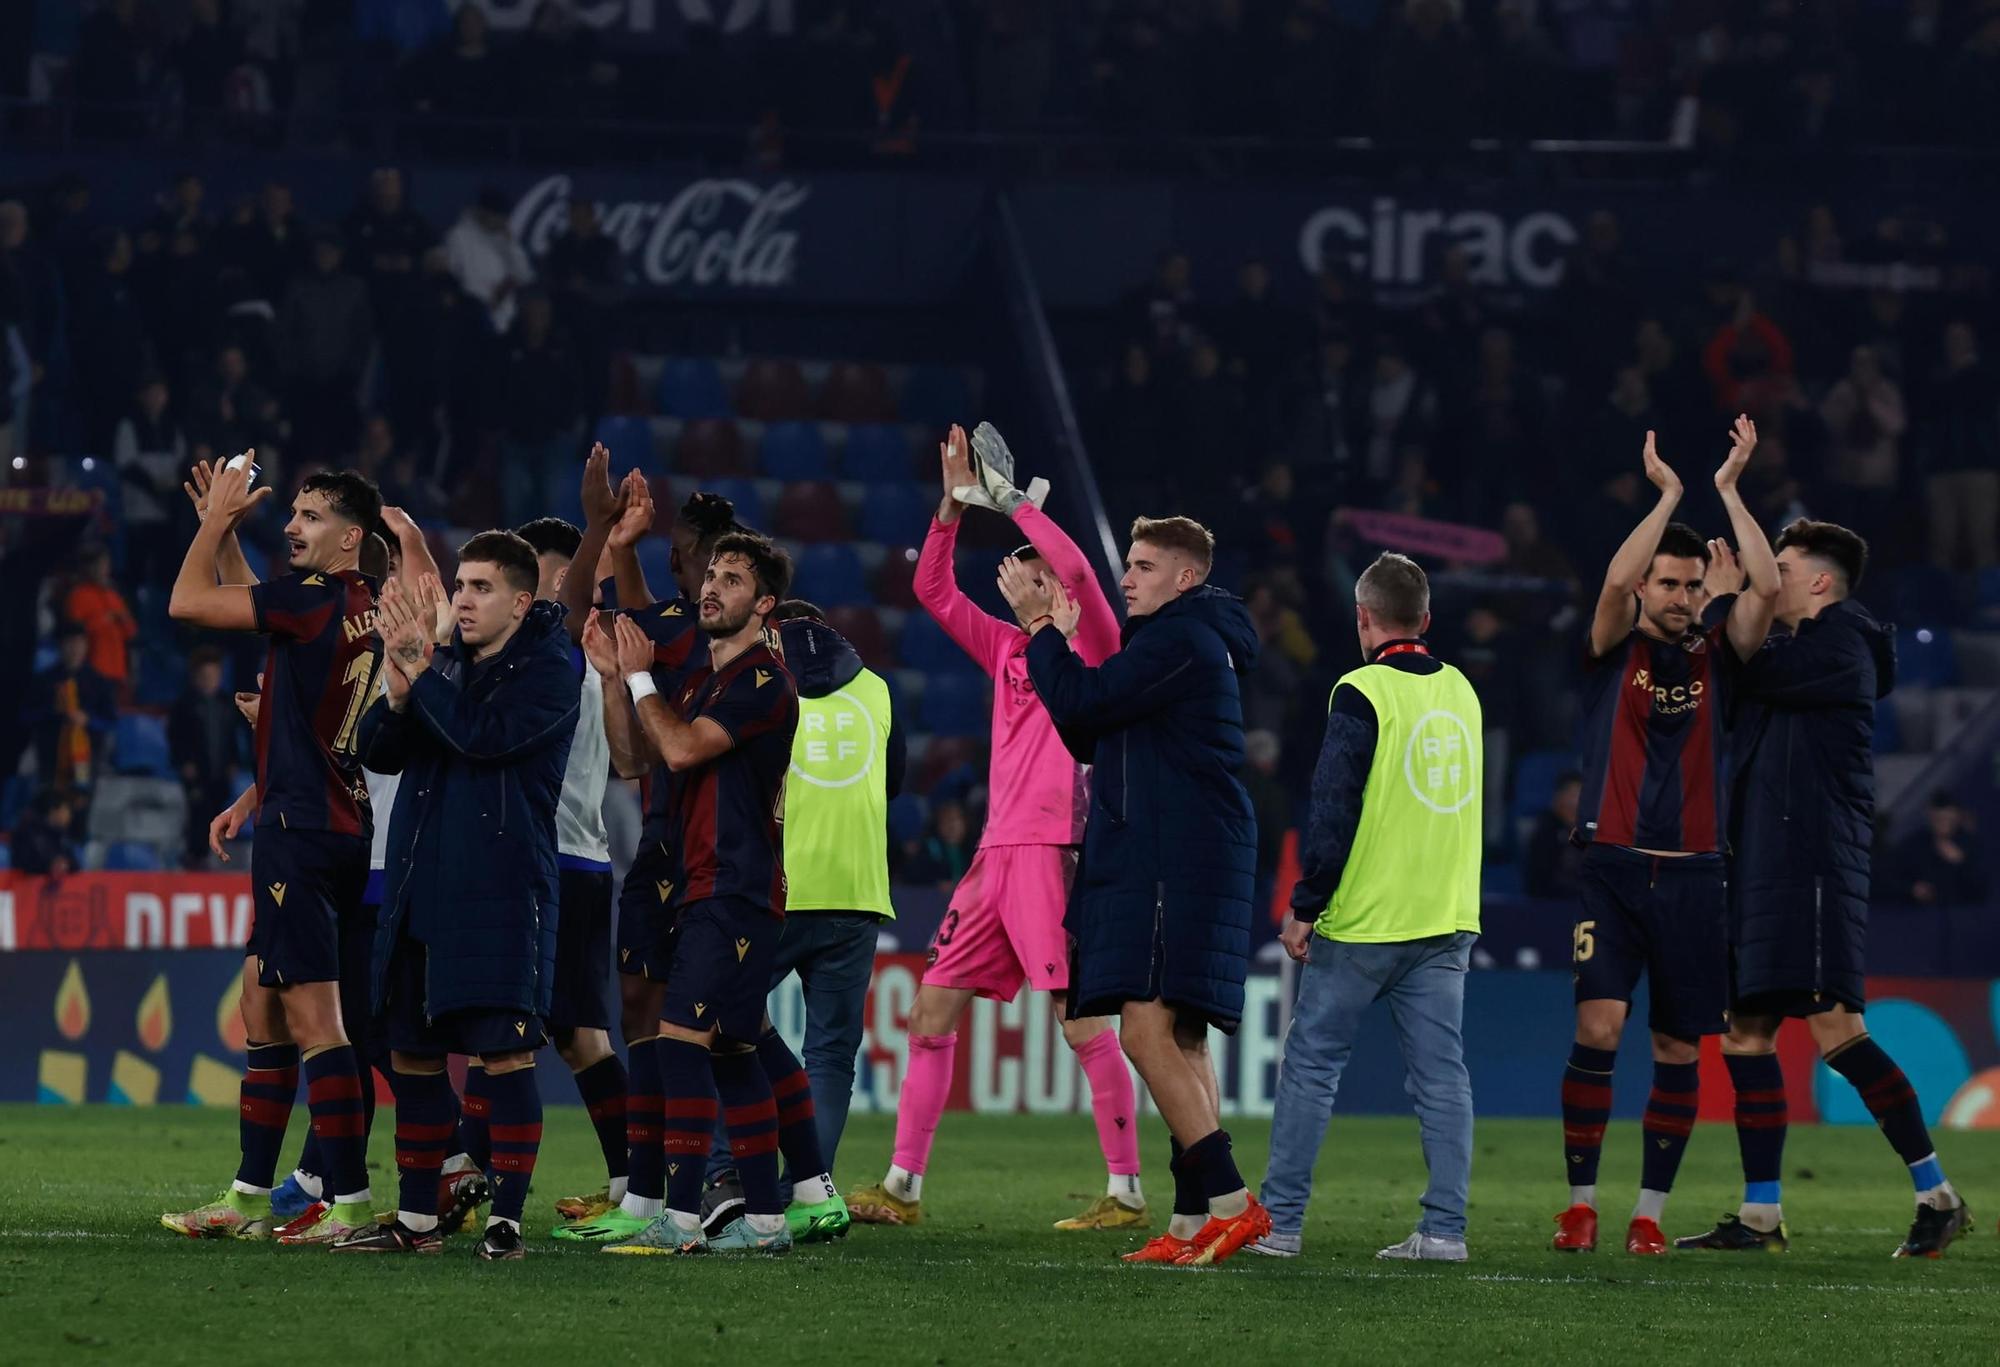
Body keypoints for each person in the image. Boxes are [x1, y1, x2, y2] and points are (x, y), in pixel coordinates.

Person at [848, 422, 1146, 1233]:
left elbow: (1080, 565)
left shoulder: (1094, 644)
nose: (1025, 577)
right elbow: (934, 594)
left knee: (1080, 1021)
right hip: (993, 856)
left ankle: (1126, 1189)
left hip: (1053, 851)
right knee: (929, 1012)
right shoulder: (1013, 648)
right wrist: (950, 508)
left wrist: (1012, 504)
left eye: (1038, 572)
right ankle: (903, 1185)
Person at [1679, 521, 1975, 1259]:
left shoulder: (1844, 644)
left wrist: (1721, 606)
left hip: (1810, 869)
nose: (1763, 576)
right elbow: (1732, 677)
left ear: (1817, 581)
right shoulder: (1793, 648)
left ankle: (1938, 1194)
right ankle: (1759, 1214)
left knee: (1836, 1030)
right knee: (1746, 1034)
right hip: (1760, 867)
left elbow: (1749, 673)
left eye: (1777, 566)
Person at [998, 514, 1267, 1268]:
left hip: (1171, 853)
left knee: (1146, 1032)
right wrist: (1067, 643)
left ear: (1186, 577)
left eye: (1144, 566)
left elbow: (1083, 708)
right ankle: (1190, 1222)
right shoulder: (1183, 642)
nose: (1127, 577)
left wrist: (1041, 627)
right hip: (1187, 847)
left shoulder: (1179, 639)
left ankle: (1233, 1202)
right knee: (1181, 1036)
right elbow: (1093, 730)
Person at [1553, 419, 1778, 1257]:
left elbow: (1764, 588)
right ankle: (1581, 1203)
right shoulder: (1610, 649)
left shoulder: (1722, 653)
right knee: (1600, 1029)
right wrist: (1669, 494)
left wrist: (1727, 487)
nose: (1682, 596)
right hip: (1610, 868)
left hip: (1694, 878)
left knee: (1679, 1043)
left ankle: (1648, 1211)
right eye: (1670, 583)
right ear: (1647, 586)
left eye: (1692, 585)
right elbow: (1614, 580)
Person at [335, 532, 578, 1261]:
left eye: (480, 588)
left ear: (521, 600)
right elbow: (375, 749)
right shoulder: (448, 668)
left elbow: (481, 739)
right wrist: (402, 688)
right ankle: (416, 1221)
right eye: (460, 586)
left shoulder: (548, 672)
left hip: (501, 890)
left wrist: (421, 668)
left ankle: (505, 1220)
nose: (463, 600)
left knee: (503, 1057)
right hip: (421, 885)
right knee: (410, 1053)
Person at [160, 461, 384, 1247]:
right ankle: (252, 1192)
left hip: (304, 832)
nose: (293, 524)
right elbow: (262, 609)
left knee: (315, 1018)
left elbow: (186, 602)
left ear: (352, 537)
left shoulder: (316, 600)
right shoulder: (352, 605)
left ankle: (349, 1205)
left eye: (313, 516)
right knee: (262, 996)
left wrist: (215, 522)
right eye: (291, 511)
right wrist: (253, 791)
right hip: (328, 821)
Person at [1252, 553, 1482, 1262]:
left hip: (1366, 918)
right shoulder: (1464, 690)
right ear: (1426, 618)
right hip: (1445, 916)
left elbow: (1332, 806)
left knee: (1313, 1065)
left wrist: (1305, 903)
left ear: (1363, 618)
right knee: (1442, 1076)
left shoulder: (1360, 689)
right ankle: (1445, 1230)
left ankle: (1280, 1224)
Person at [591, 531, 808, 1256]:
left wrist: (644, 680)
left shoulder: (762, 679)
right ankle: (768, 1220)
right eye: (711, 574)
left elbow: (681, 749)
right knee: (731, 1053)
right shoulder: (699, 685)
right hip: (707, 889)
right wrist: (615, 683)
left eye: (734, 579)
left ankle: (680, 1218)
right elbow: (634, 759)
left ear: (764, 603)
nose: (712, 586)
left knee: (683, 1044)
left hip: (734, 889)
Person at [552, 454, 739, 1245]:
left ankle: (747, 1179)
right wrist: (616, 539)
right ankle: (648, 1184)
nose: (682, 572)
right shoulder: (668, 625)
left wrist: (614, 543)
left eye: (690, 558)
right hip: (660, 840)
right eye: (674, 560)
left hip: (722, 849)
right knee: (637, 1003)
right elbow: (610, 624)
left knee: (726, 1026)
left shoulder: (738, 649)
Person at [700, 598, 900, 1243]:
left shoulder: (763, 688)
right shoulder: (877, 691)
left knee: (728, 1032)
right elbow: (889, 785)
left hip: (779, 887)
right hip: (859, 891)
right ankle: (812, 1190)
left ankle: (726, 1174)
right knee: (832, 1055)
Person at [168, 646, 240, 869]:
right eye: (205, 676)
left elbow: (232, 738)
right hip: (196, 773)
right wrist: (184, 762)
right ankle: (194, 857)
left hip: (220, 772)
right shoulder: (184, 705)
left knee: (219, 811)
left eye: (214, 675)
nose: (210, 680)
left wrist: (234, 762)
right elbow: (175, 737)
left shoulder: (227, 704)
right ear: (196, 677)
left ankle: (214, 857)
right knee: (198, 814)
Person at [26, 623, 118, 796]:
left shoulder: (98, 682)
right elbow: (26, 716)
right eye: (70, 643)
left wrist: (87, 719)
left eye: (79, 643)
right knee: (51, 807)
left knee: (80, 808)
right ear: (60, 646)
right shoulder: (44, 681)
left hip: (86, 760)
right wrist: (54, 712)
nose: (75, 649)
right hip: (50, 759)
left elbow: (111, 721)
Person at [63, 544, 138, 698]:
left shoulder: (113, 595)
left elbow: (131, 633)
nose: (103, 569)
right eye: (98, 565)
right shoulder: (78, 596)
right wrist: (104, 620)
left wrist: (122, 618)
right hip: (93, 669)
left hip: (117, 669)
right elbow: (74, 632)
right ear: (88, 568)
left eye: (105, 565)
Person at [1892, 792, 1989, 910]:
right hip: (1920, 916)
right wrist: (1911, 888)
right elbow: (1888, 877)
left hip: (1964, 916)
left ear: (1958, 817)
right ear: (1930, 816)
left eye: (1949, 819)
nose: (1944, 824)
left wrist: (1961, 862)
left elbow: (1983, 890)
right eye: (1939, 819)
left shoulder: (1971, 845)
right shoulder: (1914, 844)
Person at [1524, 772, 1585, 899]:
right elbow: (1539, 880)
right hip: (1549, 905)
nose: (1574, 802)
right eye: (1570, 794)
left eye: (1579, 795)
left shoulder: (1594, 832)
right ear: (1558, 797)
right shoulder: (1545, 831)